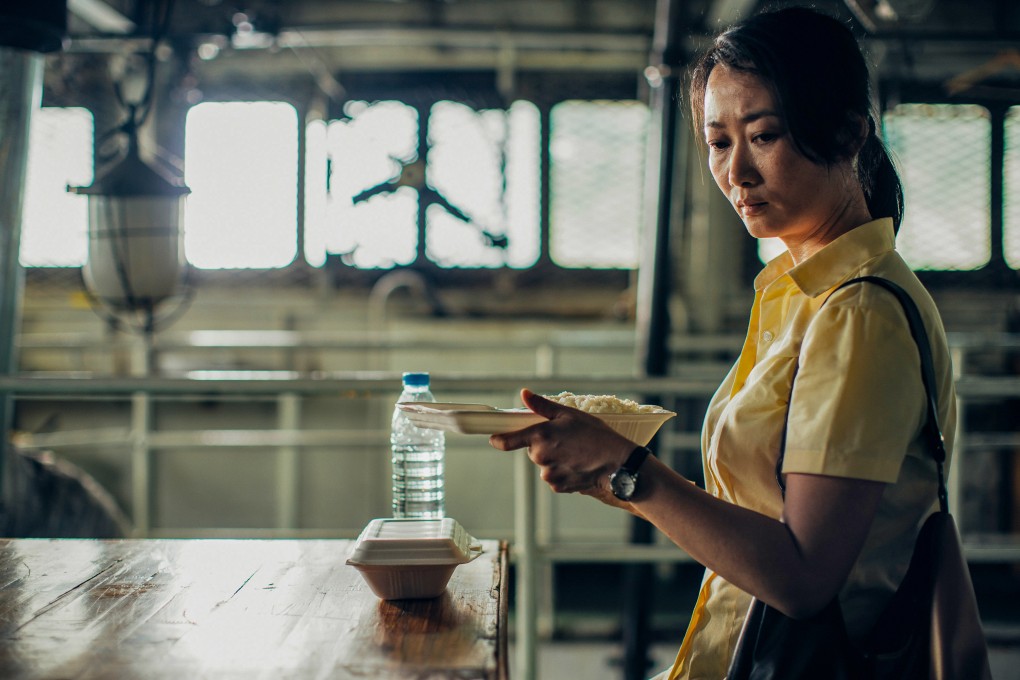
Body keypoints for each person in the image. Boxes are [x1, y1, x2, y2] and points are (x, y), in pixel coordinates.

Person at [488, 6, 957, 679]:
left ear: (851, 131)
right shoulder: (801, 291)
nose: (737, 172)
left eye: (763, 135)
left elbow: (802, 578)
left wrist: (632, 472)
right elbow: (757, 525)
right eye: (718, 142)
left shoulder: (858, 312)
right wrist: (609, 471)